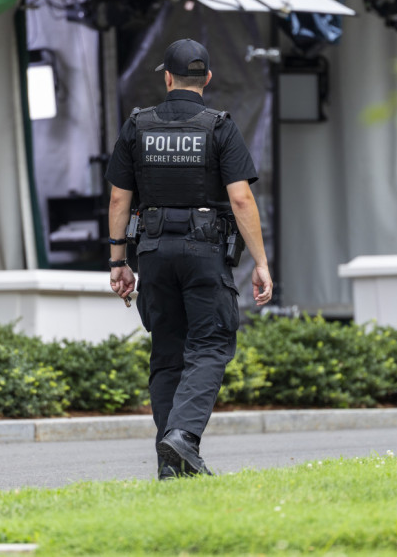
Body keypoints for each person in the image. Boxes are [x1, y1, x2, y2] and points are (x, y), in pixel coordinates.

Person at [105, 38, 272, 479]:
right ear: (208, 79)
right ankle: (182, 436)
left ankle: (170, 464)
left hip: (154, 252)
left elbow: (120, 198)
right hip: (204, 253)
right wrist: (261, 262)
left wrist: (117, 261)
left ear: (167, 77)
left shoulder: (138, 124)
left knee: (167, 353)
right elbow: (240, 199)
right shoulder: (219, 126)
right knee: (211, 344)